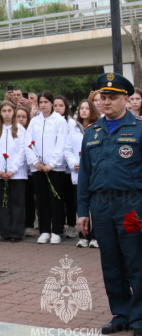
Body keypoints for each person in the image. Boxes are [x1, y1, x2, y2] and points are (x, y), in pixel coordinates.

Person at [77, 72, 142, 336]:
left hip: (131, 205)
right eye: (103, 97)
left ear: (126, 100)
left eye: (112, 97)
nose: (106, 102)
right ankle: (121, 314)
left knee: (135, 262)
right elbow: (84, 175)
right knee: (111, 263)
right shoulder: (92, 132)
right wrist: (82, 211)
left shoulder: (139, 129)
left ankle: (139, 317)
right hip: (100, 205)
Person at [24, 91, 68, 245]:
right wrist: (35, 162)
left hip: (55, 168)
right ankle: (44, 230)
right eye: (40, 102)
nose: (43, 105)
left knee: (55, 199)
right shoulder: (34, 121)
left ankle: (56, 230)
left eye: (45, 102)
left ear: (51, 103)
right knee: (41, 200)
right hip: (38, 168)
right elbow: (28, 143)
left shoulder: (59, 121)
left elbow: (61, 144)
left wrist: (52, 164)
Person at [0, 101, 27, 242]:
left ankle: (17, 233)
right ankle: (5, 232)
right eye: (4, 111)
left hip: (16, 174)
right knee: (2, 202)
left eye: (9, 111)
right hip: (0, 175)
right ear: (0, 113)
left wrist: (12, 170)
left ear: (13, 112)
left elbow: (22, 152)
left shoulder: (20, 130)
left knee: (17, 203)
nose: (6, 114)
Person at [66, 99, 99, 249]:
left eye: (87, 108)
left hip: (94, 172)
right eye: (81, 108)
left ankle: (95, 236)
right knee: (82, 206)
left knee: (96, 207)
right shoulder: (73, 128)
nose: (84, 111)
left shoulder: (98, 127)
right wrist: (74, 163)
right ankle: (84, 235)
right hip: (78, 172)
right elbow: (67, 149)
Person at [53, 95, 78, 239]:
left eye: (60, 106)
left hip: (68, 168)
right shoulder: (50, 123)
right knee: (58, 198)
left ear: (66, 107)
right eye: (55, 106)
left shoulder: (71, 123)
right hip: (56, 167)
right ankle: (59, 224)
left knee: (70, 198)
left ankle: (71, 225)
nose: (57, 109)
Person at [15, 105, 36, 237]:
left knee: (29, 199)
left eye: (24, 117)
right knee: (18, 199)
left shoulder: (30, 131)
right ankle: (18, 224)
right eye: (18, 116)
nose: (21, 119)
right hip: (16, 171)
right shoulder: (11, 130)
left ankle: (29, 224)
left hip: (30, 171)